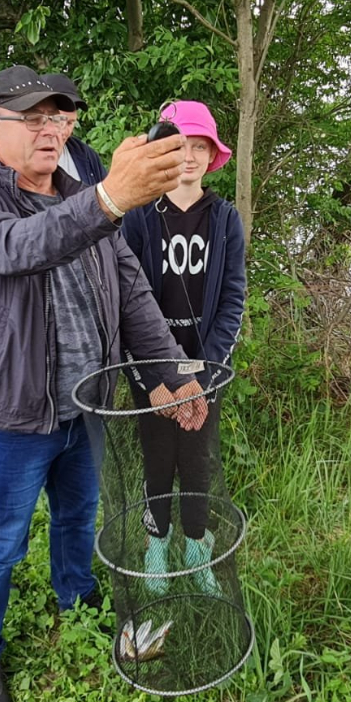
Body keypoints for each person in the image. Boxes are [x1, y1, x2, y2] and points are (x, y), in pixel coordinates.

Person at [0, 65, 208, 702]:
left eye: (59, 118)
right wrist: (109, 199)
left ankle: (76, 594)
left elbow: (134, 293)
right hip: (11, 415)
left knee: (76, 516)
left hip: (88, 407)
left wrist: (170, 372)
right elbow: (20, 247)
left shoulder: (88, 198)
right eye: (32, 118)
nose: (50, 129)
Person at [120, 100, 245, 596]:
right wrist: (155, 380)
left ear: (212, 156)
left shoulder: (225, 220)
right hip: (152, 373)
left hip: (205, 369)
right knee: (157, 457)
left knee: (197, 462)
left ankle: (198, 550)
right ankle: (157, 545)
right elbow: (125, 305)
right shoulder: (138, 219)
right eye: (178, 147)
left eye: (199, 147)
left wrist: (204, 376)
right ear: (161, 153)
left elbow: (233, 300)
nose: (188, 157)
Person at [0, 72, 106, 185]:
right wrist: (105, 199)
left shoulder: (83, 153)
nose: (53, 131)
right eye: (33, 119)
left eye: (62, 121)